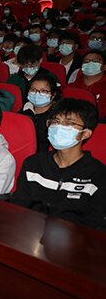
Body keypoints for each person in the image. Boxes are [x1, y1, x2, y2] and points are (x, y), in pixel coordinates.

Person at [11, 99, 105, 231]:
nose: (59, 127)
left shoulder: (98, 175)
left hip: (74, 238)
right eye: (55, 121)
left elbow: (94, 224)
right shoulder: (33, 164)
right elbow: (19, 207)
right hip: (29, 232)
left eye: (69, 123)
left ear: (85, 133)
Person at [20, 73, 61, 152]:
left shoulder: (58, 116)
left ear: (53, 95)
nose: (37, 94)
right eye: (33, 90)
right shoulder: (24, 110)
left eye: (43, 91)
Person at [72, 50, 106, 119]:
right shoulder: (71, 87)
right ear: (82, 67)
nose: (90, 63)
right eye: (86, 61)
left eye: (95, 61)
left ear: (104, 67)